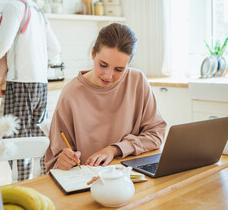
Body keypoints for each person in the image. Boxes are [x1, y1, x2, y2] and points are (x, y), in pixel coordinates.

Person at [45, 23, 166, 171]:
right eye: (103, 65)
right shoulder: (70, 94)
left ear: (129, 64)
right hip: (89, 181)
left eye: (119, 69)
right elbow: (55, 160)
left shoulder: (137, 81)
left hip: (131, 177)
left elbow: (156, 134)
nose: (108, 76)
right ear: (93, 53)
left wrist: (114, 149)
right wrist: (64, 160)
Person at [0, 0, 61, 180]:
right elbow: (55, 48)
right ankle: (45, 183)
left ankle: (22, 187)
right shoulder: (39, 12)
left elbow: (3, 43)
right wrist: (36, 60)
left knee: (17, 142)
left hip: (20, 84)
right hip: (40, 84)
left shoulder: (14, 7)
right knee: (39, 139)